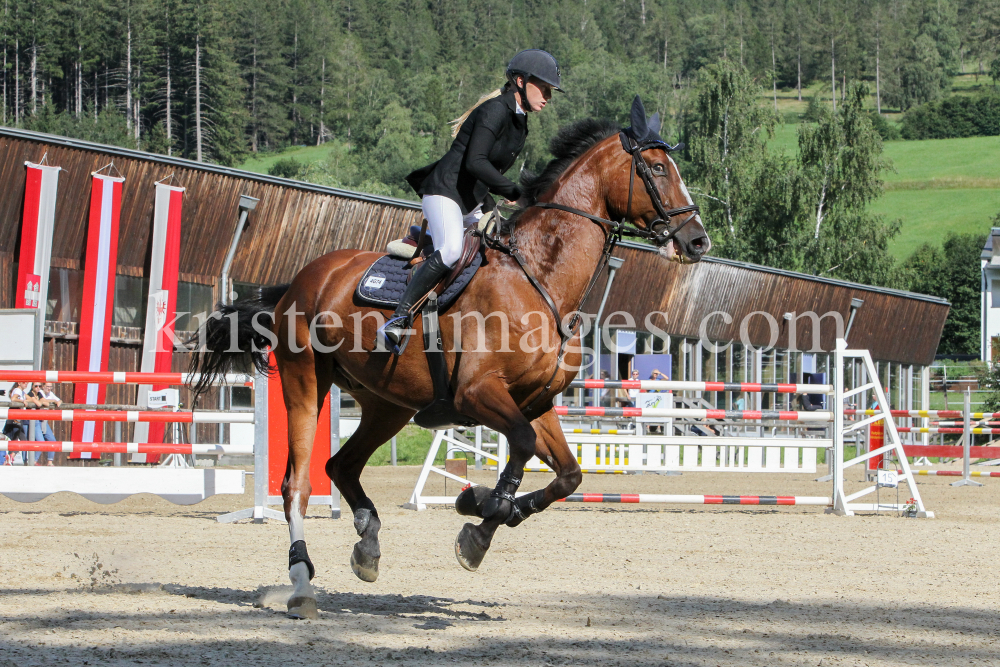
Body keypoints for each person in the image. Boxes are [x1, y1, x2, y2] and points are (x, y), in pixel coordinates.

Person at [380, 49, 562, 350]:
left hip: (471, 200)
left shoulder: (520, 121)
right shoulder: (495, 111)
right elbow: (475, 163)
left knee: (503, 249)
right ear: (520, 81)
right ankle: (399, 318)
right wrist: (513, 192)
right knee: (451, 251)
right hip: (444, 193)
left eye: (550, 92)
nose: (547, 97)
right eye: (543, 88)